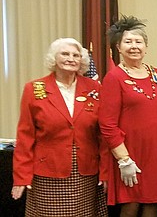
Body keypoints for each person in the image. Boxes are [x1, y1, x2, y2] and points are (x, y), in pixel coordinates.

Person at [11, 38, 110, 216]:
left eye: (76, 55)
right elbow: (25, 137)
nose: (71, 58)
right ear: (54, 58)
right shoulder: (33, 89)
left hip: (85, 173)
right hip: (48, 172)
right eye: (65, 54)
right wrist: (21, 177)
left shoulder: (94, 88)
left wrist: (105, 172)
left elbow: (102, 135)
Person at [99, 15, 157, 216]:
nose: (134, 46)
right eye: (128, 41)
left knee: (154, 204)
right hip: (130, 153)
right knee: (131, 206)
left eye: (138, 41)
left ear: (146, 46)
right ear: (118, 48)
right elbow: (107, 124)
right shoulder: (114, 77)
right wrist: (124, 159)